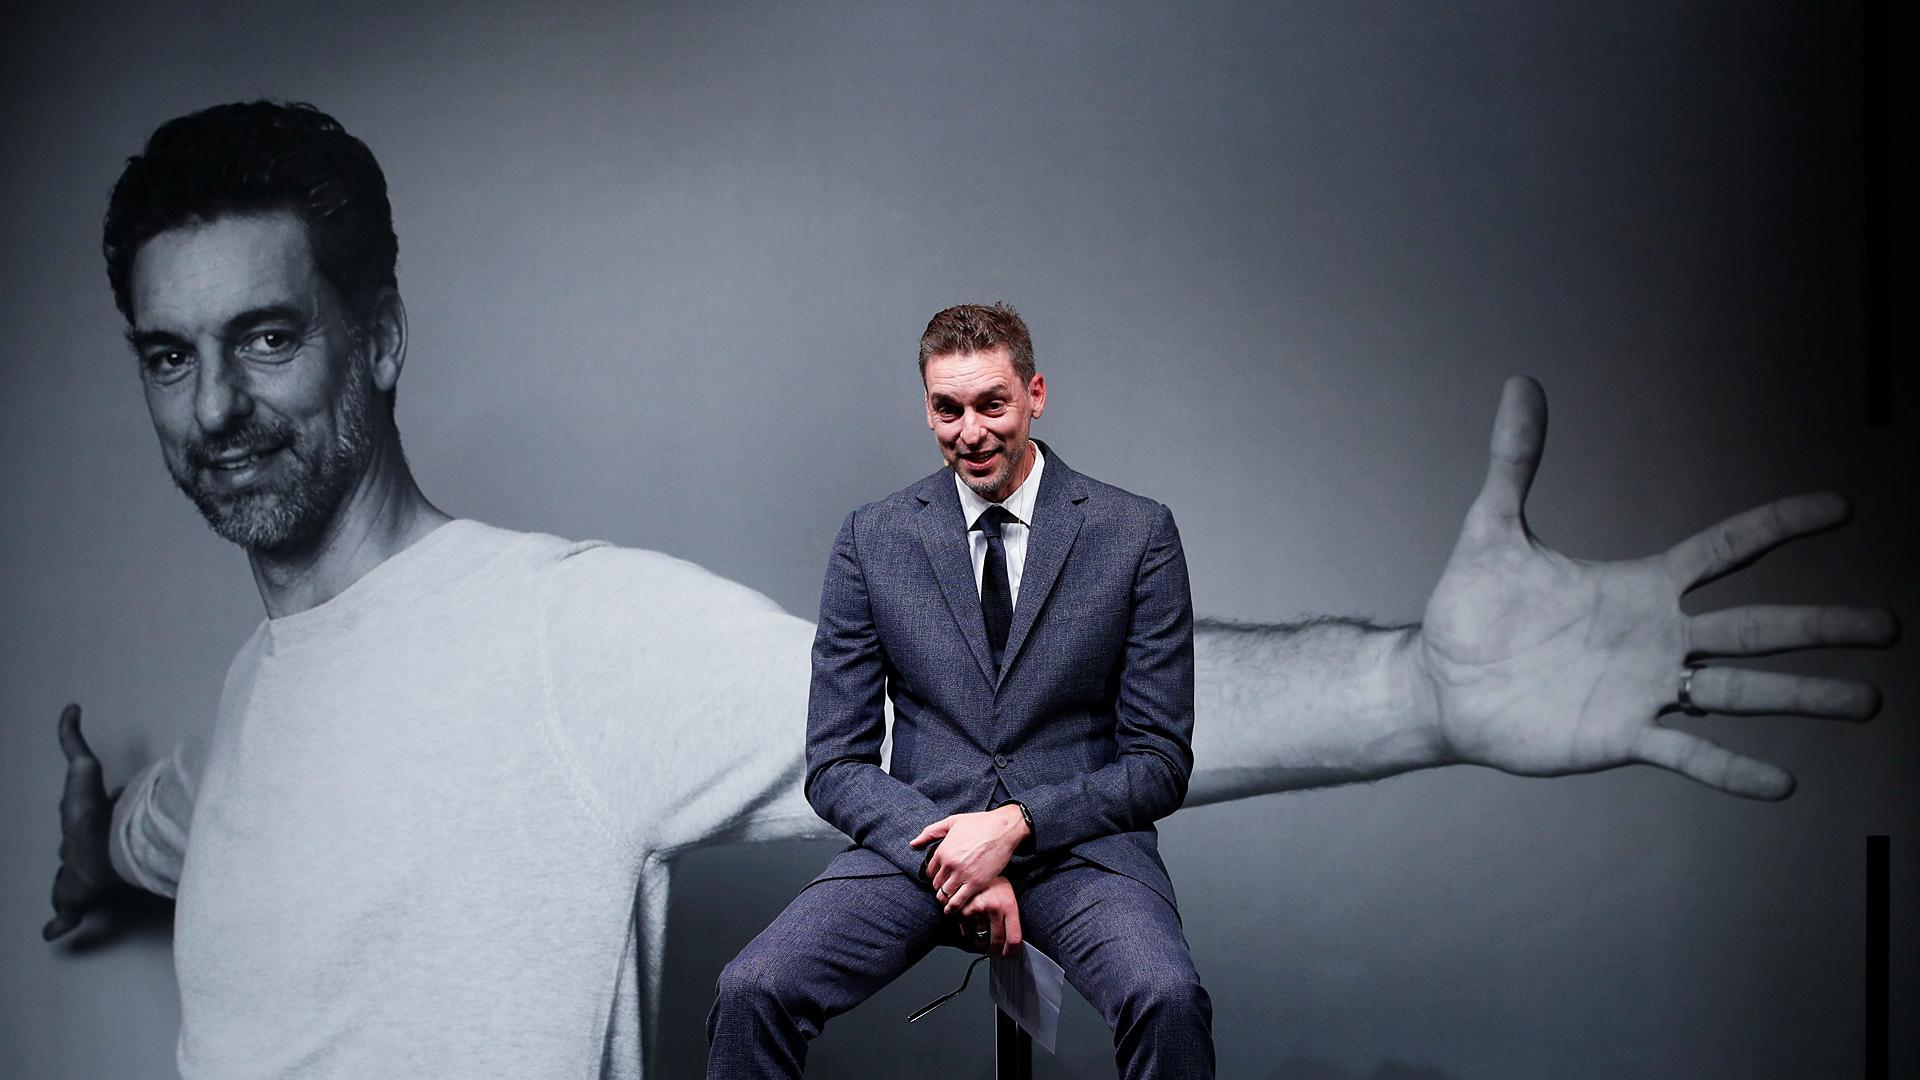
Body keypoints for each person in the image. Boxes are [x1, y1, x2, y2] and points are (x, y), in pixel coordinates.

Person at [44, 101, 1896, 1079]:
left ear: (377, 342)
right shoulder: (247, 713)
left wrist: (1419, 690)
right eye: (167, 355)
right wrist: (93, 845)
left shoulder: (557, 640)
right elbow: (166, 838)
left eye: (267, 338)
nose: (214, 410)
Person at [707, 303, 1214, 1076]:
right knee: (752, 990)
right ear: (927, 407)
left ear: (1035, 395)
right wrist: (953, 856)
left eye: (992, 405)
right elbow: (835, 765)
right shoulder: (872, 539)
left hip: (1080, 851)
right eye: (948, 409)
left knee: (1168, 998)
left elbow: (1158, 762)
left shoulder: (1135, 532)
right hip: (919, 846)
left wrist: (1016, 826)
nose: (970, 432)